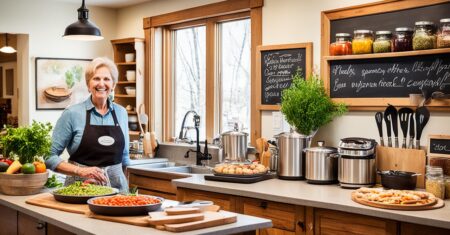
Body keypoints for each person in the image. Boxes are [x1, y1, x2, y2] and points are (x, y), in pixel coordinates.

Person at [46, 57, 130, 192]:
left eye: (107, 79)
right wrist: (80, 171)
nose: (101, 84)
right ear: (88, 84)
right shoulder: (72, 114)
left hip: (118, 192)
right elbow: (49, 156)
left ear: (113, 84)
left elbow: (125, 158)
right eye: (96, 78)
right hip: (80, 190)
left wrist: (128, 190)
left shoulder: (121, 113)